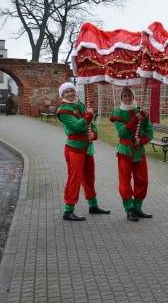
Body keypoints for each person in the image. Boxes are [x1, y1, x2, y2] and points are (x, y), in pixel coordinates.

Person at [56, 82, 110, 221]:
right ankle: (68, 210)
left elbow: (91, 125)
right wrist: (88, 117)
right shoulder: (63, 111)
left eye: (71, 91)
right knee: (74, 179)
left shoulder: (81, 106)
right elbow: (77, 127)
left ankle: (93, 205)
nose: (70, 94)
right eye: (66, 92)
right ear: (62, 95)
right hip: (74, 149)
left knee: (89, 178)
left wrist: (94, 134)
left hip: (87, 148)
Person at [109, 87, 155, 222]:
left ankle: (137, 207)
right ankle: (128, 209)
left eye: (130, 95)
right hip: (125, 152)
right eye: (125, 96)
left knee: (143, 180)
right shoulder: (118, 113)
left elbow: (150, 132)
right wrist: (134, 119)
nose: (128, 98)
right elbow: (122, 132)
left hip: (139, 152)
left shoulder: (141, 112)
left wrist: (142, 140)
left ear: (133, 97)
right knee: (125, 181)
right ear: (121, 98)